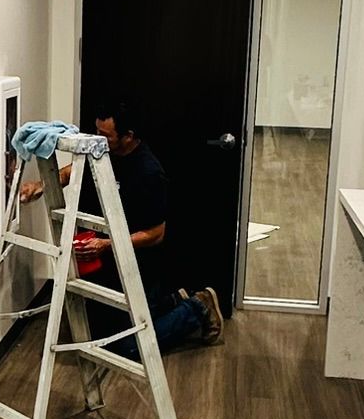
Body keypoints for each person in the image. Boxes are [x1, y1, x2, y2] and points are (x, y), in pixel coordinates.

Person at [23, 100, 222, 352]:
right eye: (96, 131)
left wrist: (107, 244)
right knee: (90, 329)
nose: (97, 139)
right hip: (105, 266)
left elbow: (156, 233)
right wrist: (41, 185)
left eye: (104, 135)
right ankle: (170, 302)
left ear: (128, 137)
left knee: (122, 345)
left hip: (138, 269)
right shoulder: (103, 152)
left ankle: (197, 307)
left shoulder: (149, 173)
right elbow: (74, 169)